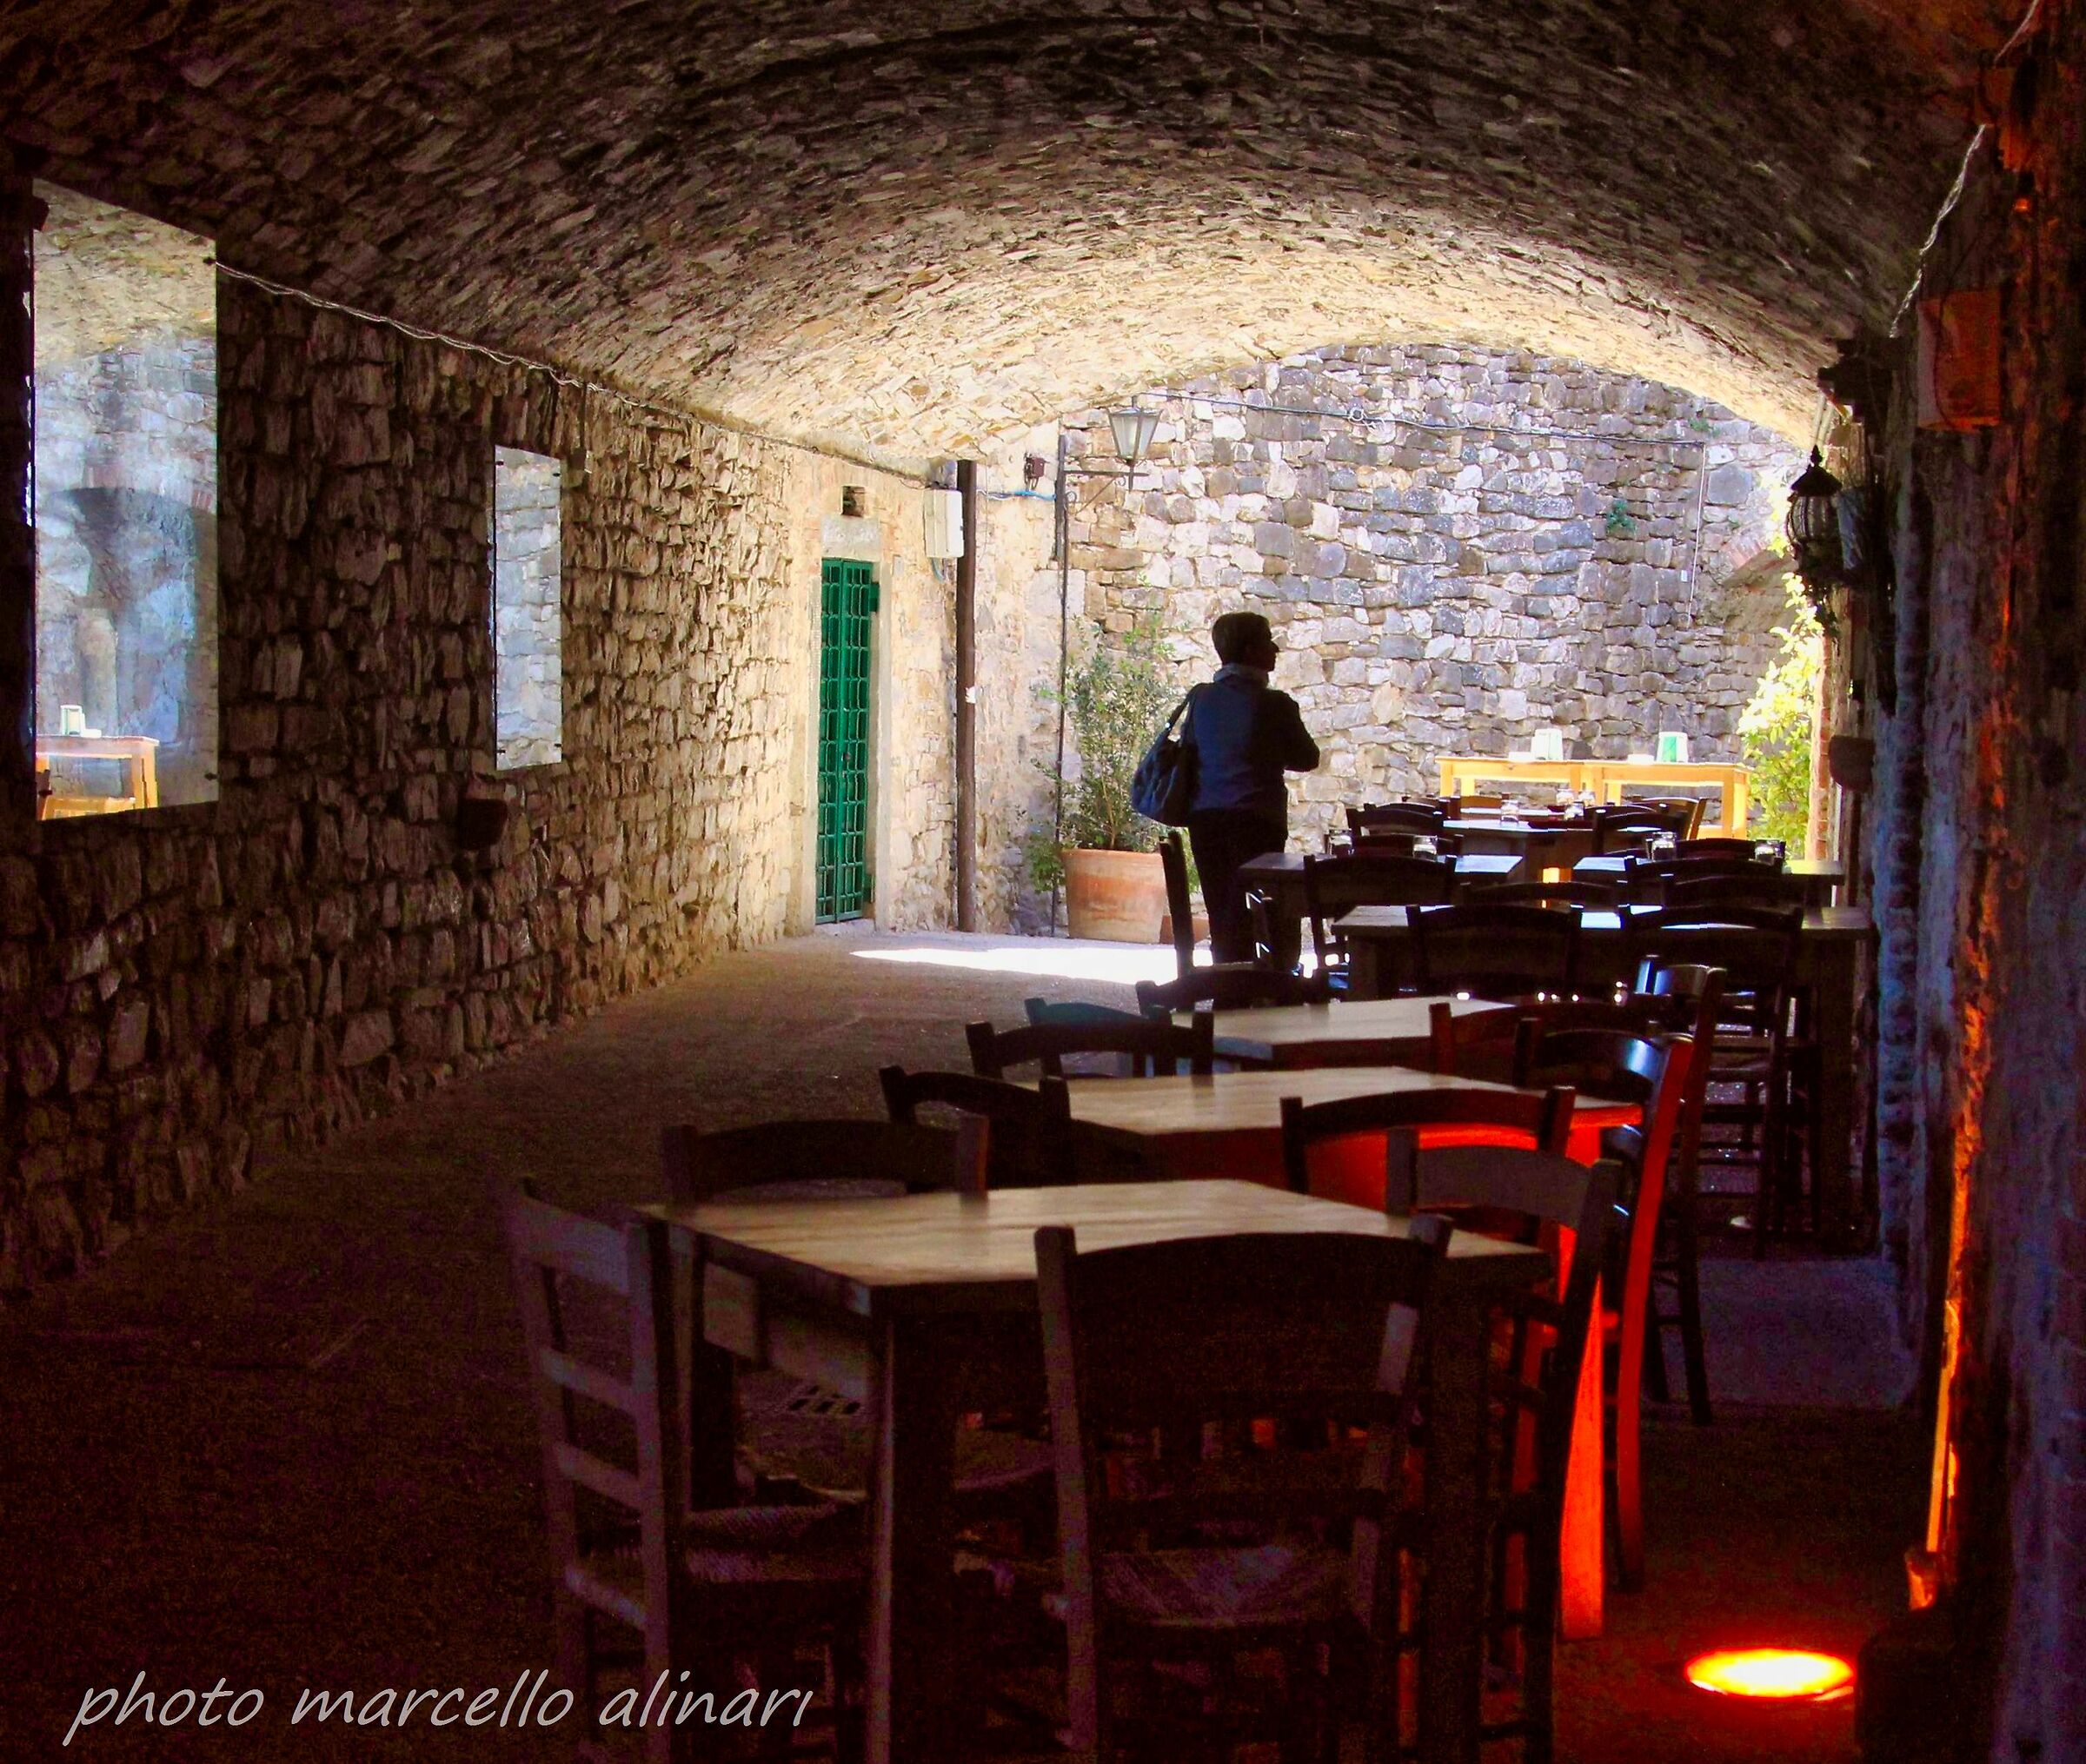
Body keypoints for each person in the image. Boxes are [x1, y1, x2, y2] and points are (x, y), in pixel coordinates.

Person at [1185, 611, 1319, 963]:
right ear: (1249, 650)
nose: (1275, 648)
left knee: (1222, 908)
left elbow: (1192, 751)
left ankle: (1227, 978)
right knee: (1261, 908)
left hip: (1206, 821)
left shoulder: (1201, 699)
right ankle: (1263, 980)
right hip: (1258, 823)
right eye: (1267, 640)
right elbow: (1307, 757)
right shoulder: (1276, 705)